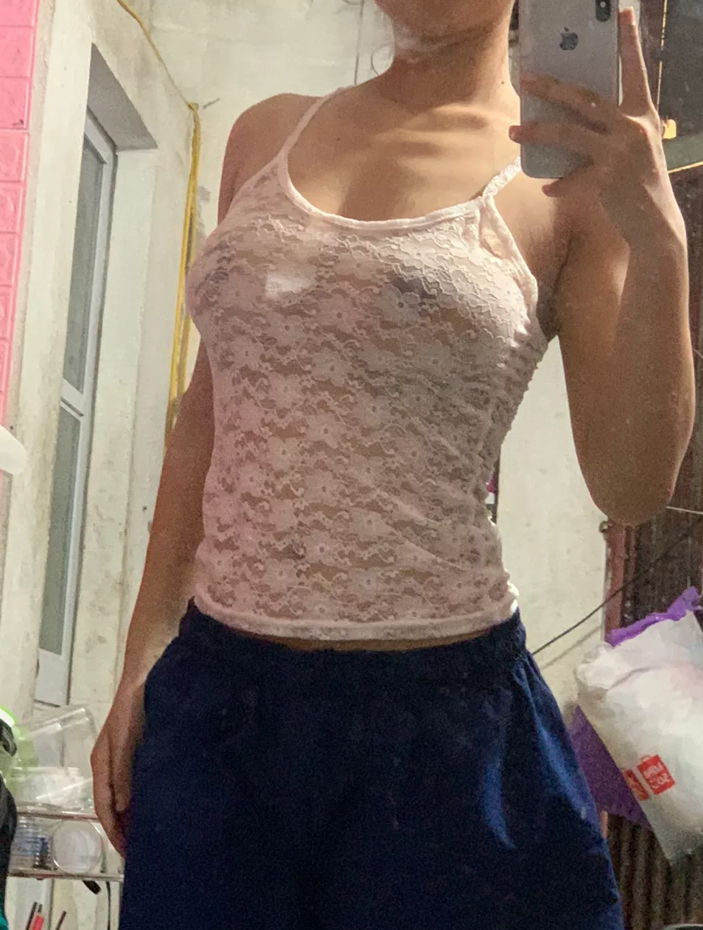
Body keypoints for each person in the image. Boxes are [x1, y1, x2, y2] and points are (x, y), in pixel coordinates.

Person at [92, 2, 695, 928]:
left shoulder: (573, 183)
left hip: (443, 730)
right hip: (218, 704)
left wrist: (658, 240)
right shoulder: (263, 134)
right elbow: (207, 417)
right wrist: (143, 653)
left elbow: (631, 484)